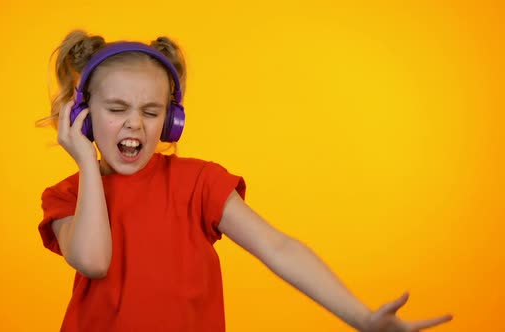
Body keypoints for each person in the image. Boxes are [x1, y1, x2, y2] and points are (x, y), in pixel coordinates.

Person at [36, 30, 453, 332]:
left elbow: (278, 247)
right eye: (116, 109)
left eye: (150, 111)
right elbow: (93, 260)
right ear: (83, 117)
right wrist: (86, 163)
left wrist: (360, 317)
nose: (134, 123)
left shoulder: (199, 182)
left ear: (171, 121)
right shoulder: (68, 196)